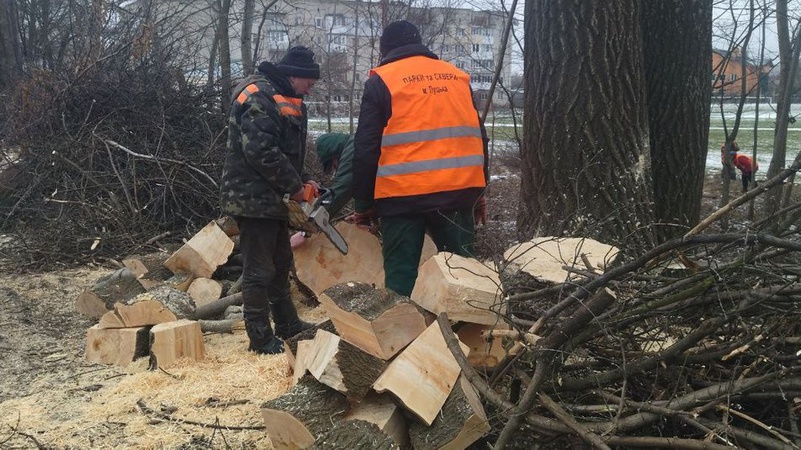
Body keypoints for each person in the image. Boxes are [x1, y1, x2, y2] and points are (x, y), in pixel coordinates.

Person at [351, 20, 489, 297]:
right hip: (458, 191)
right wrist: (480, 192)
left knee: (401, 278)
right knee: (463, 277)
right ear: (419, 44)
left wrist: (363, 204)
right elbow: (479, 137)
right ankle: (468, 324)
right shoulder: (457, 78)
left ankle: (401, 324)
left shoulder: (382, 81)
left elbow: (366, 149)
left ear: (385, 50)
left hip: (401, 198)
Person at [219, 46, 320, 354]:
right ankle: (260, 337)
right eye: (308, 82)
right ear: (294, 75)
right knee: (259, 270)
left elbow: (286, 150)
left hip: (271, 197)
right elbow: (261, 151)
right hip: (252, 198)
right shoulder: (260, 95)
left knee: (280, 263)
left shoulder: (284, 97)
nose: (310, 89)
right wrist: (295, 187)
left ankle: (288, 324)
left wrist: (305, 180)